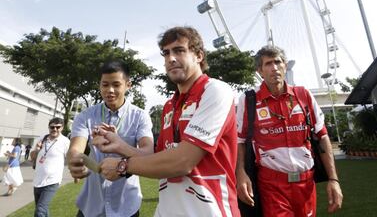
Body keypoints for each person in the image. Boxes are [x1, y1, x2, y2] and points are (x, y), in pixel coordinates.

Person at [97, 26, 241, 217]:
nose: (171, 58)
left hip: (208, 210)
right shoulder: (169, 107)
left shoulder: (215, 91)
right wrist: (121, 146)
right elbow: (160, 160)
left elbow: (183, 161)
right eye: (166, 53)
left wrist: (122, 166)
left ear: (198, 55)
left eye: (179, 50)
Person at [236, 45, 343, 217]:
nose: (274, 68)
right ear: (260, 71)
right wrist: (240, 174)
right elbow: (239, 141)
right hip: (271, 185)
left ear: (285, 65)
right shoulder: (249, 99)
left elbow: (322, 136)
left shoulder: (303, 95)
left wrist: (333, 179)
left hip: (306, 183)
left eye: (278, 62)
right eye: (268, 64)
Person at [67, 60, 154, 217]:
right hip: (91, 205)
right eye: (105, 85)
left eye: (116, 84)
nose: (110, 90)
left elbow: (148, 152)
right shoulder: (85, 116)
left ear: (128, 85)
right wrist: (74, 161)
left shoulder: (140, 116)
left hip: (126, 205)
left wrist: (119, 147)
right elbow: (75, 148)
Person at [29, 117, 70, 217]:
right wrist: (38, 149)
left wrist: (76, 174)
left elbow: (70, 158)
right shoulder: (42, 138)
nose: (54, 129)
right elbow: (32, 157)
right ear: (49, 127)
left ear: (62, 128)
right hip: (38, 180)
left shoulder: (65, 141)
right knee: (43, 209)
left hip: (52, 181)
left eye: (58, 127)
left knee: (40, 211)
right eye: (52, 127)